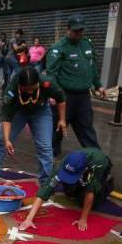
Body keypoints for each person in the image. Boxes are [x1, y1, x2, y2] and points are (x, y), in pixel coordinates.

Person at [0, 66, 66, 185]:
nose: (29, 91)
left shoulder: (46, 82)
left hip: (41, 112)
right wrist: (7, 139)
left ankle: (46, 182)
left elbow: (61, 98)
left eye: (32, 88)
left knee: (45, 147)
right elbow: (7, 118)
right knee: (0, 141)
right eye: (26, 89)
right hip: (18, 112)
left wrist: (62, 119)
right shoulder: (11, 90)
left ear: (37, 83)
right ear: (19, 85)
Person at [45, 14, 104, 157]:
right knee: (57, 129)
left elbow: (92, 67)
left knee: (87, 129)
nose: (79, 34)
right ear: (68, 29)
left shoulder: (87, 44)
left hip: (83, 97)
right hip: (64, 96)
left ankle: (97, 159)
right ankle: (50, 160)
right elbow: (51, 74)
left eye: (81, 31)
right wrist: (53, 94)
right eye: (75, 31)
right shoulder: (59, 48)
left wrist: (98, 85)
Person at [18, 148, 113, 232]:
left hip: (101, 165)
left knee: (93, 199)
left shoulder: (97, 164)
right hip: (82, 169)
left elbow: (90, 192)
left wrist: (83, 219)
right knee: (70, 192)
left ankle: (107, 183)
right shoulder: (62, 165)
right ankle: (80, 183)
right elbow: (45, 190)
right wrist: (29, 219)